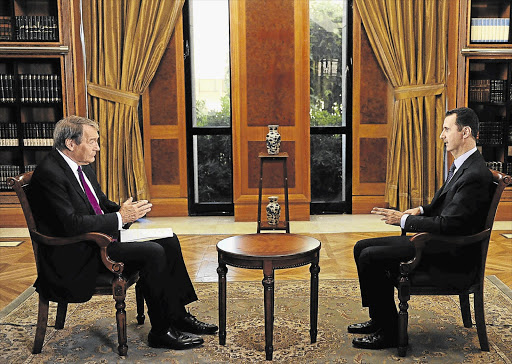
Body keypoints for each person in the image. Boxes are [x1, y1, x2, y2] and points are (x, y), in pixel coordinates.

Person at [29, 115, 217, 350]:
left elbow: (100, 203)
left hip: (98, 241)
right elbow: (71, 225)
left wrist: (124, 211)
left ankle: (177, 315)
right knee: (154, 252)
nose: (97, 147)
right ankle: (160, 332)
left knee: (168, 240)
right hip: (77, 254)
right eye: (92, 141)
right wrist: (120, 218)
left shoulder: (80, 166)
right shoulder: (49, 173)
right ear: (70, 143)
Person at [349, 107, 493, 350]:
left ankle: (390, 333)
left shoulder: (474, 174)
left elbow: (449, 224)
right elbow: (449, 208)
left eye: (447, 129)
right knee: (361, 247)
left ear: (465, 132)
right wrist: (422, 210)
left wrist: (403, 221)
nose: (442, 135)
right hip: (440, 240)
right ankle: (381, 319)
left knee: (369, 256)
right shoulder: (464, 165)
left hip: (448, 253)